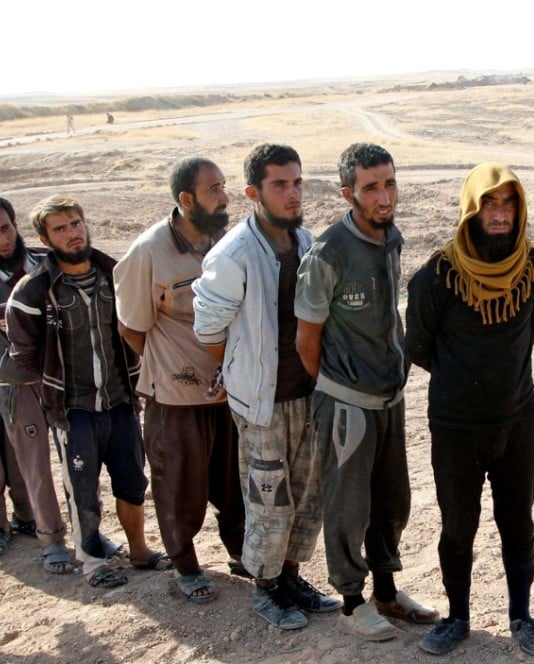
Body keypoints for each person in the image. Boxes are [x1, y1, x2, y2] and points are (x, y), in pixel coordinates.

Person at [405, 162, 534, 657]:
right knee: (456, 526)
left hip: (518, 418)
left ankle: (522, 616)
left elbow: (527, 337)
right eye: (489, 202)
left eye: (508, 202)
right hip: (456, 426)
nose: (500, 213)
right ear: (472, 208)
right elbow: (419, 347)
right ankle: (457, 617)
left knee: (518, 522)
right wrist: (465, 384)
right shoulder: (437, 276)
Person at [295, 142, 438, 641]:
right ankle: (353, 603)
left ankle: (387, 592)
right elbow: (306, 340)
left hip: (389, 399)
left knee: (392, 501)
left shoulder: (390, 237)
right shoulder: (328, 253)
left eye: (390, 183)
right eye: (371, 187)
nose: (384, 196)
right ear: (348, 193)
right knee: (347, 506)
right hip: (347, 404)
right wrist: (337, 390)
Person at [192, 143, 339, 629]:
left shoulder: (306, 241)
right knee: (269, 498)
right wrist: (237, 369)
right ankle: (266, 589)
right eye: (280, 184)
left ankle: (291, 578)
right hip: (262, 403)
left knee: (306, 494)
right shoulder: (233, 253)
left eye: (297, 182)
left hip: (307, 394)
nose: (292, 193)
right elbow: (209, 328)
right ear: (254, 192)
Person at [6, 195, 171, 588]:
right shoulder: (34, 292)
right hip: (73, 409)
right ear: (45, 238)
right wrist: (51, 392)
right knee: (82, 489)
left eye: (75, 223)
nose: (72, 233)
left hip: (120, 401)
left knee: (132, 480)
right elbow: (24, 355)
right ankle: (94, 563)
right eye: (60, 228)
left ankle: (139, 551)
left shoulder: (114, 274)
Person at [113, 157, 246, 604]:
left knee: (237, 484)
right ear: (186, 199)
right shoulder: (148, 252)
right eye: (214, 190)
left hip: (230, 393)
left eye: (225, 186)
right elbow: (131, 327)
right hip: (175, 399)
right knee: (179, 488)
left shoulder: (226, 241)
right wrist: (175, 367)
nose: (225, 197)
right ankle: (186, 567)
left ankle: (242, 554)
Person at [0, 196, 74, 572]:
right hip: (14, 384)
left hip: (61, 378)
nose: (3, 240)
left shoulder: (45, 264)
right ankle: (51, 539)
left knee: (77, 459)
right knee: (34, 466)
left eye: (6, 228)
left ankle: (87, 531)